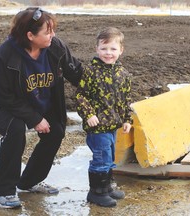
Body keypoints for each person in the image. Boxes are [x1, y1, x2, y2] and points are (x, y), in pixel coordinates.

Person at [0, 7, 83, 209]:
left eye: (53, 30)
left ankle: (29, 182)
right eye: (48, 32)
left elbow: (77, 74)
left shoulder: (55, 47)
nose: (53, 36)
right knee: (15, 129)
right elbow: (5, 97)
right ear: (30, 35)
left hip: (39, 100)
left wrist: (103, 90)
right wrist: (34, 119)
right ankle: (4, 191)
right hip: (5, 104)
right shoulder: (3, 56)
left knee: (56, 131)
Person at [76, 27, 132, 207]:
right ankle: (96, 192)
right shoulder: (91, 72)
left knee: (110, 157)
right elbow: (80, 96)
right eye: (104, 48)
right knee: (101, 158)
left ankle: (107, 188)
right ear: (97, 49)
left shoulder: (123, 74)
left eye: (113, 49)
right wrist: (89, 114)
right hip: (97, 127)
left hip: (113, 125)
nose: (108, 53)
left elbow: (126, 99)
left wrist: (127, 120)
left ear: (121, 50)